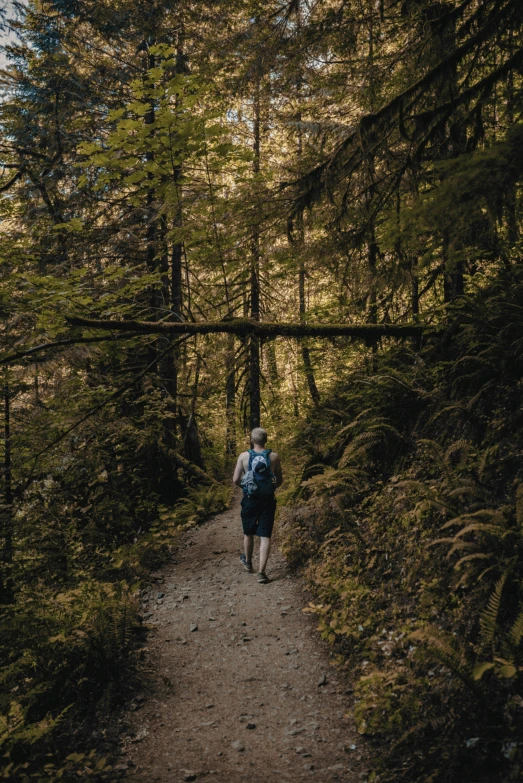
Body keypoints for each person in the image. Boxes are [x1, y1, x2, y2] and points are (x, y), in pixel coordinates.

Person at [232, 427, 283, 584]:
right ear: (266, 440)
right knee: (265, 535)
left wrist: (246, 488)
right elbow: (280, 480)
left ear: (252, 440)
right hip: (267, 499)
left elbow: (235, 479)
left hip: (250, 499)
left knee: (248, 533)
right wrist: (271, 488)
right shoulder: (274, 457)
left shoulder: (243, 456)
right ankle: (262, 572)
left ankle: (248, 563)